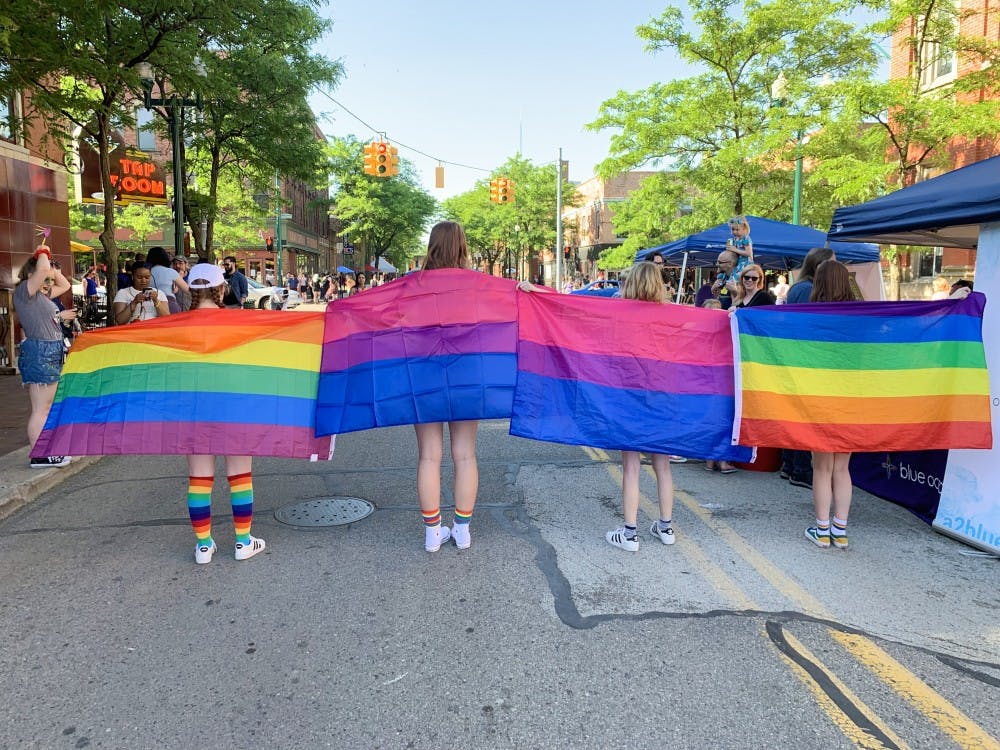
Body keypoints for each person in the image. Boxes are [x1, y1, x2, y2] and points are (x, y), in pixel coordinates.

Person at [184, 263, 266, 564]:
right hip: (234, 407)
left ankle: (203, 546)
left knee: (199, 478)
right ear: (221, 289)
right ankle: (243, 541)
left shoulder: (178, 326)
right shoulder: (238, 323)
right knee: (240, 475)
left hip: (194, 410)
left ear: (192, 291)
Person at [601, 262, 676, 551]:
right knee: (663, 466)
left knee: (631, 466)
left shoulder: (618, 313)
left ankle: (630, 533)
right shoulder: (671, 314)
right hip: (662, 395)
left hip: (628, 395)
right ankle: (666, 528)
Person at [414, 221, 480, 552]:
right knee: (465, 455)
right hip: (466, 376)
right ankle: (462, 530)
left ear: (432, 246)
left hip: (424, 377)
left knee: (429, 456)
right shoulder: (476, 286)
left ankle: (432, 533)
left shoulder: (414, 285)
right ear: (462, 247)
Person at [805, 260, 856, 550]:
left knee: (822, 468)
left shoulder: (811, 315)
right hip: (850, 401)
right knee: (842, 468)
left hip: (820, 399)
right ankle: (841, 529)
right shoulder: (860, 317)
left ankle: (822, 530)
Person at [14, 244, 76, 468]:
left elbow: (65, 284)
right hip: (40, 352)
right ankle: (39, 453)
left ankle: (44, 450)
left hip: (50, 351)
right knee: (41, 407)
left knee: (47, 405)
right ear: (31, 274)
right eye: (44, 278)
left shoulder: (40, 295)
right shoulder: (24, 293)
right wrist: (43, 253)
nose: (48, 282)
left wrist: (52, 267)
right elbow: (41, 273)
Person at [146, 246, 188, 314]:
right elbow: (187, 289)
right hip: (169, 304)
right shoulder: (171, 271)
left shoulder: (146, 273)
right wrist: (181, 276)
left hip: (149, 305)